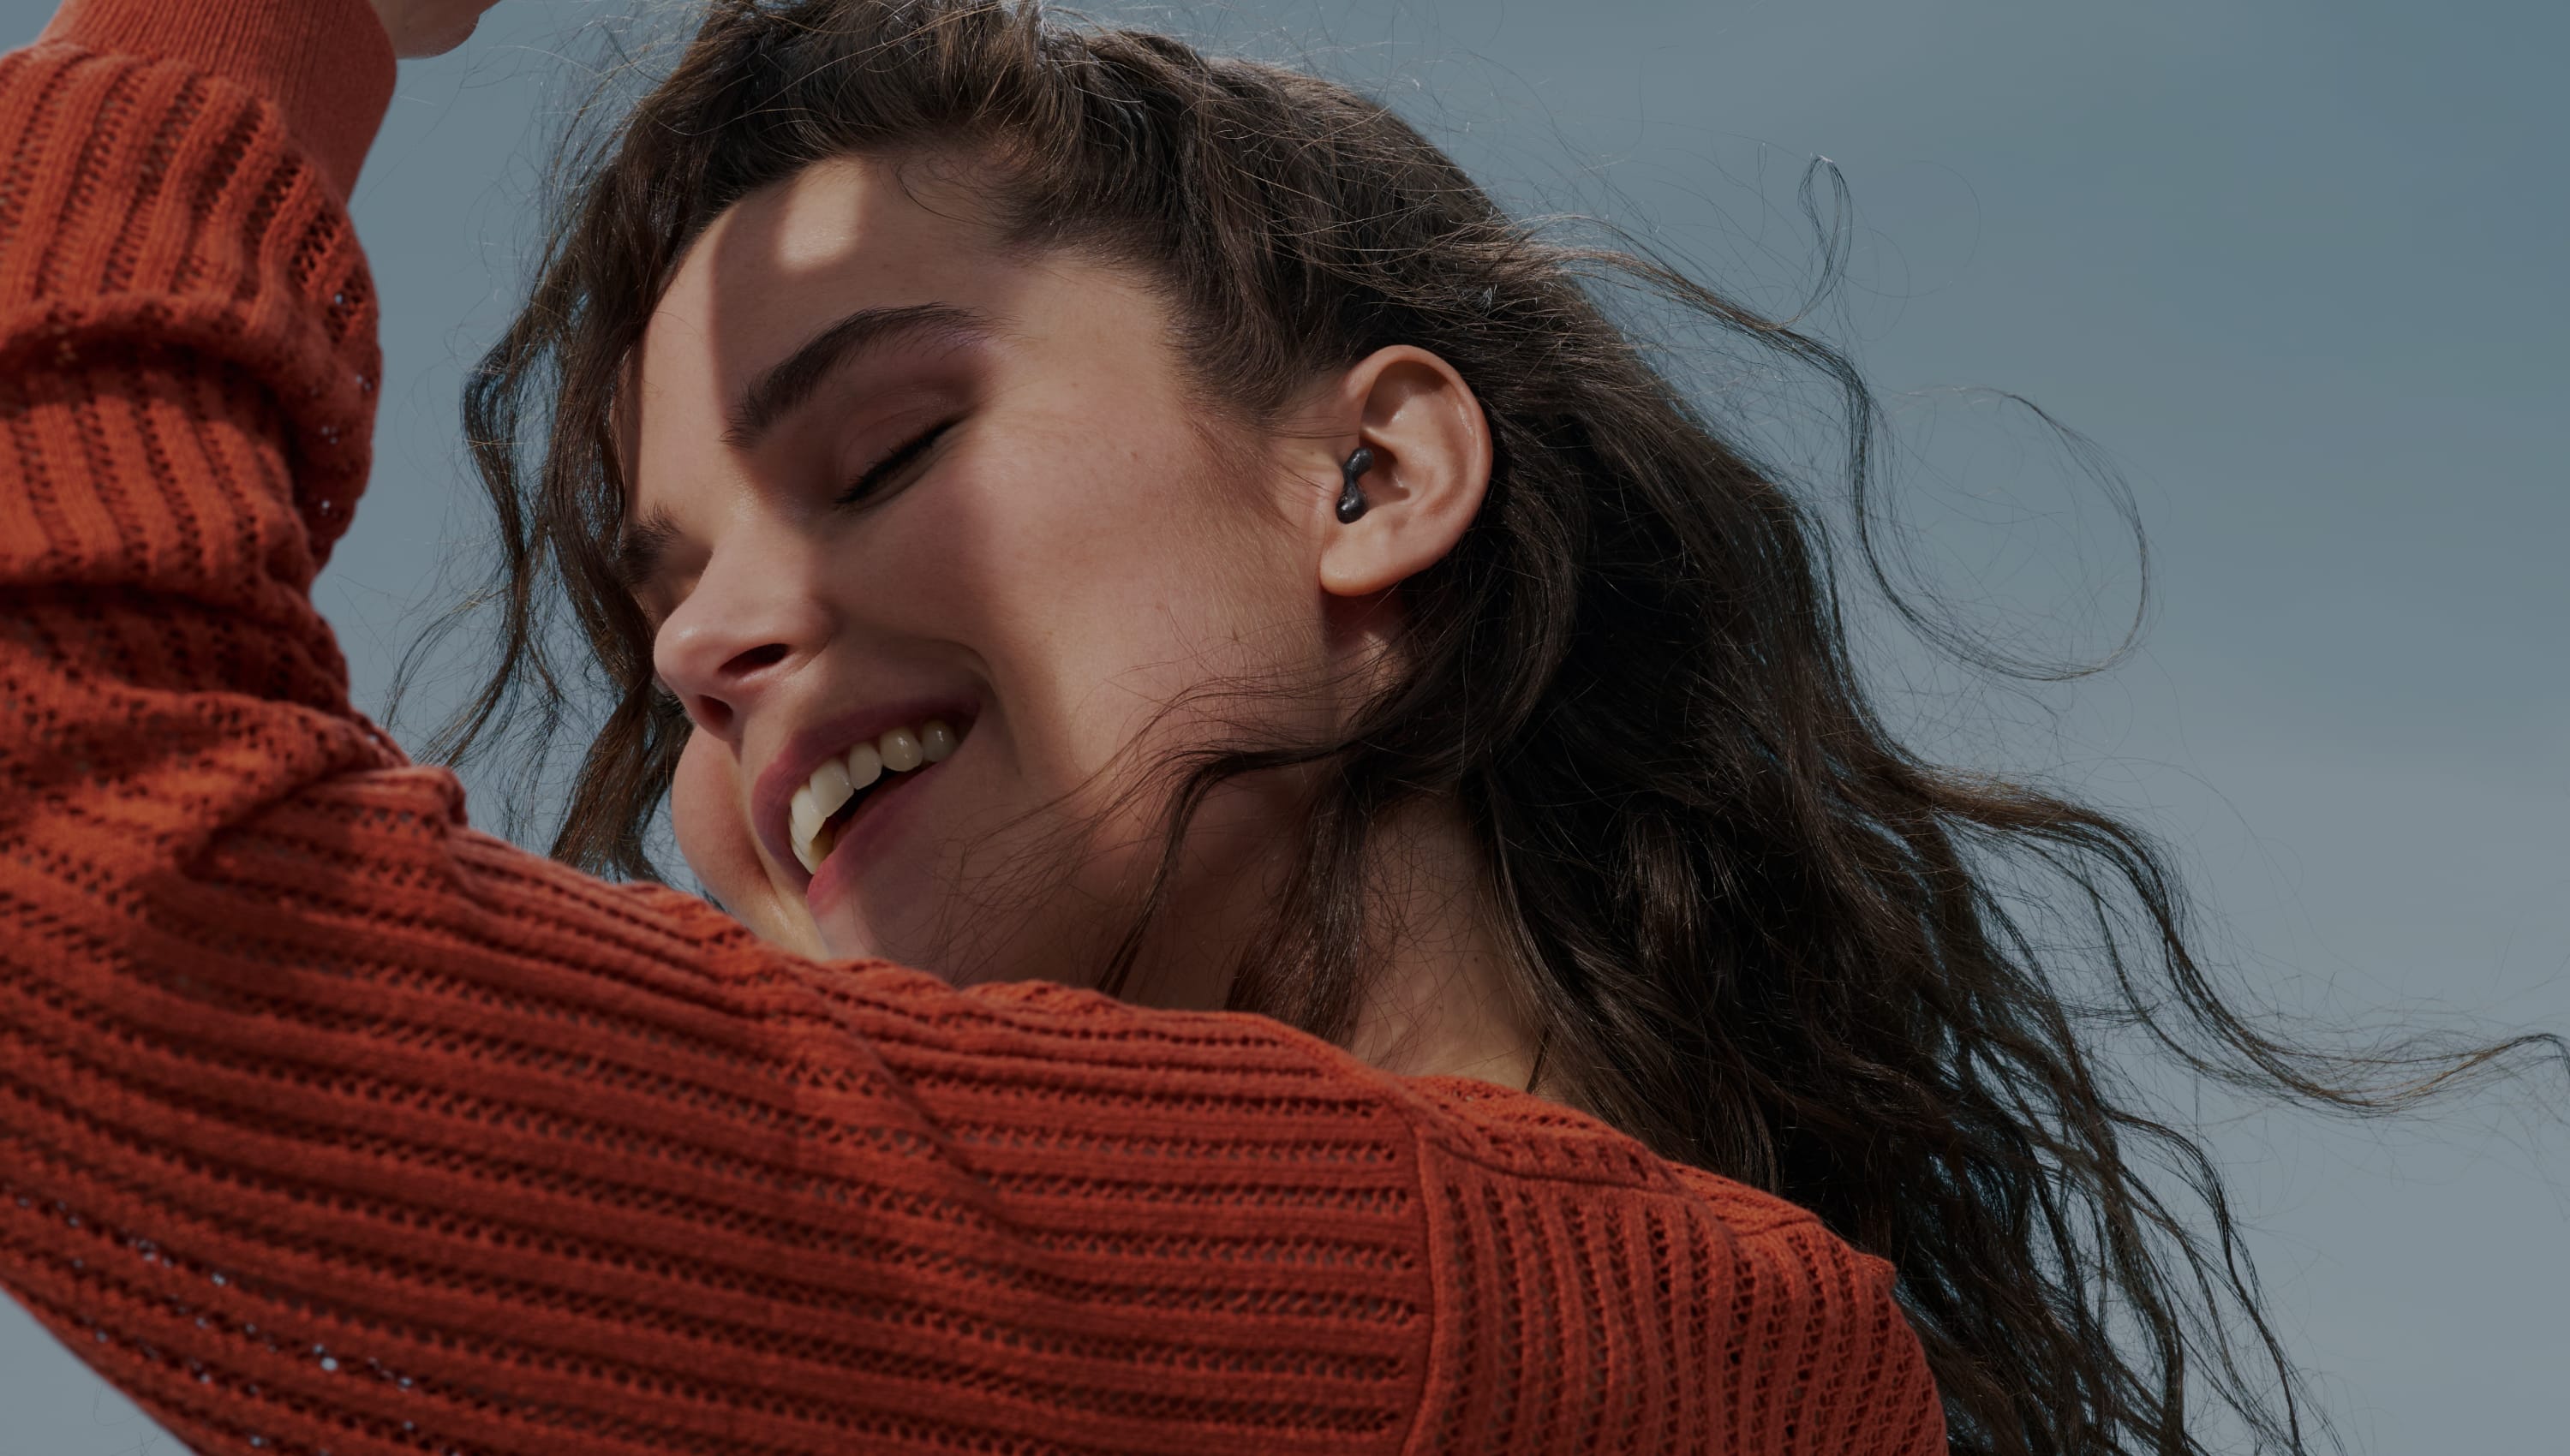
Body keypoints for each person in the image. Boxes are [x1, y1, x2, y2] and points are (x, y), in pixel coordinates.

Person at [3, 0, 2540, 1452]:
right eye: (658, 599)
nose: (702, 650)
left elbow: (77, 829)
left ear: (1372, 478)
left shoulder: (1528, 1330)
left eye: (881, 451)